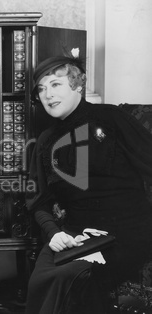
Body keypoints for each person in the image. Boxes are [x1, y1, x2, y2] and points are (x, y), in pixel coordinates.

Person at [25, 55, 152, 313]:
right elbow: (38, 199)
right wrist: (54, 233)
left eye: (56, 84)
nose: (47, 95)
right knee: (43, 276)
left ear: (78, 85)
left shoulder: (111, 118)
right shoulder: (46, 141)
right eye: (41, 88)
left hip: (127, 232)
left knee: (71, 278)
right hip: (74, 233)